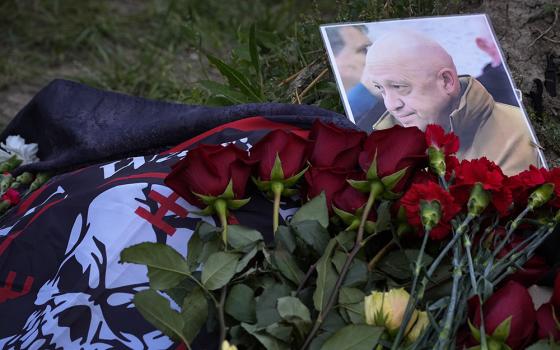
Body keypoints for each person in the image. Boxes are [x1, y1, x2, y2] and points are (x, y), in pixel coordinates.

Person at [362, 30, 542, 175]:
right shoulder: (380, 148)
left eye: (399, 86)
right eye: (381, 89)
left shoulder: (518, 132)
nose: (391, 105)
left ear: (446, 81)